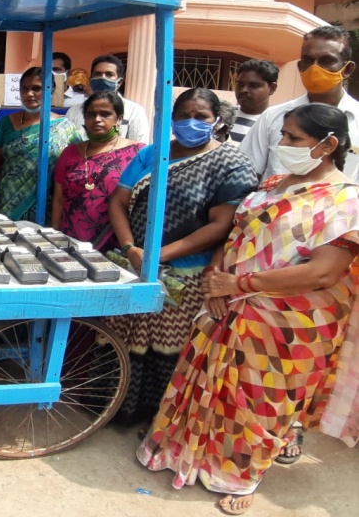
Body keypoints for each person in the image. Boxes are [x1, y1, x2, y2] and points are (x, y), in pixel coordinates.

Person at [138, 104, 359, 515]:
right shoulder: (275, 183)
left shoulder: (346, 201)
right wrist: (216, 276)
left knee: (261, 399)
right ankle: (193, 454)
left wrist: (239, 285)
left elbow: (325, 273)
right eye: (283, 135)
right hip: (227, 302)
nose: (283, 144)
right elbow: (239, 231)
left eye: (294, 138)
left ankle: (243, 474)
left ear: (328, 145)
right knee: (211, 384)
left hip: (288, 322)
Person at [107, 88, 258, 427]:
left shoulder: (231, 164)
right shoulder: (152, 154)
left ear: (217, 120)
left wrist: (157, 256)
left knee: (168, 347)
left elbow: (222, 225)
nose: (191, 123)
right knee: (123, 339)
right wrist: (132, 249)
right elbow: (118, 201)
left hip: (183, 277)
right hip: (133, 264)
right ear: (172, 120)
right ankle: (116, 409)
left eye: (201, 116)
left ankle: (161, 419)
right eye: (183, 116)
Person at [242, 25, 359, 181]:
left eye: (327, 60)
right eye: (308, 60)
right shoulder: (272, 118)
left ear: (347, 69)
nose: (315, 68)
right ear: (300, 66)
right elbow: (245, 176)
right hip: (275, 204)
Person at [0, 66, 83, 223]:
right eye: (24, 89)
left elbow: (75, 167)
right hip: (7, 202)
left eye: (36, 89)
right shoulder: (6, 124)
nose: (29, 94)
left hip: (47, 206)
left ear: (50, 91)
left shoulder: (66, 127)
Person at [51, 91, 143, 250]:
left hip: (116, 242)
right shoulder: (70, 153)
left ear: (119, 119)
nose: (97, 119)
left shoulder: (137, 153)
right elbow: (59, 199)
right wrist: (54, 235)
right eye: (91, 114)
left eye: (105, 114)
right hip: (70, 241)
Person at [65, 55, 149, 143]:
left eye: (109, 74)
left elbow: (139, 147)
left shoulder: (134, 111)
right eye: (98, 74)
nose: (103, 78)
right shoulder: (74, 112)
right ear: (90, 80)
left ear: (119, 82)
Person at [229, 59, 278, 144]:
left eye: (254, 85)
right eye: (240, 84)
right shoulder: (222, 116)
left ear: (272, 88)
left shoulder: (276, 124)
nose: (244, 90)